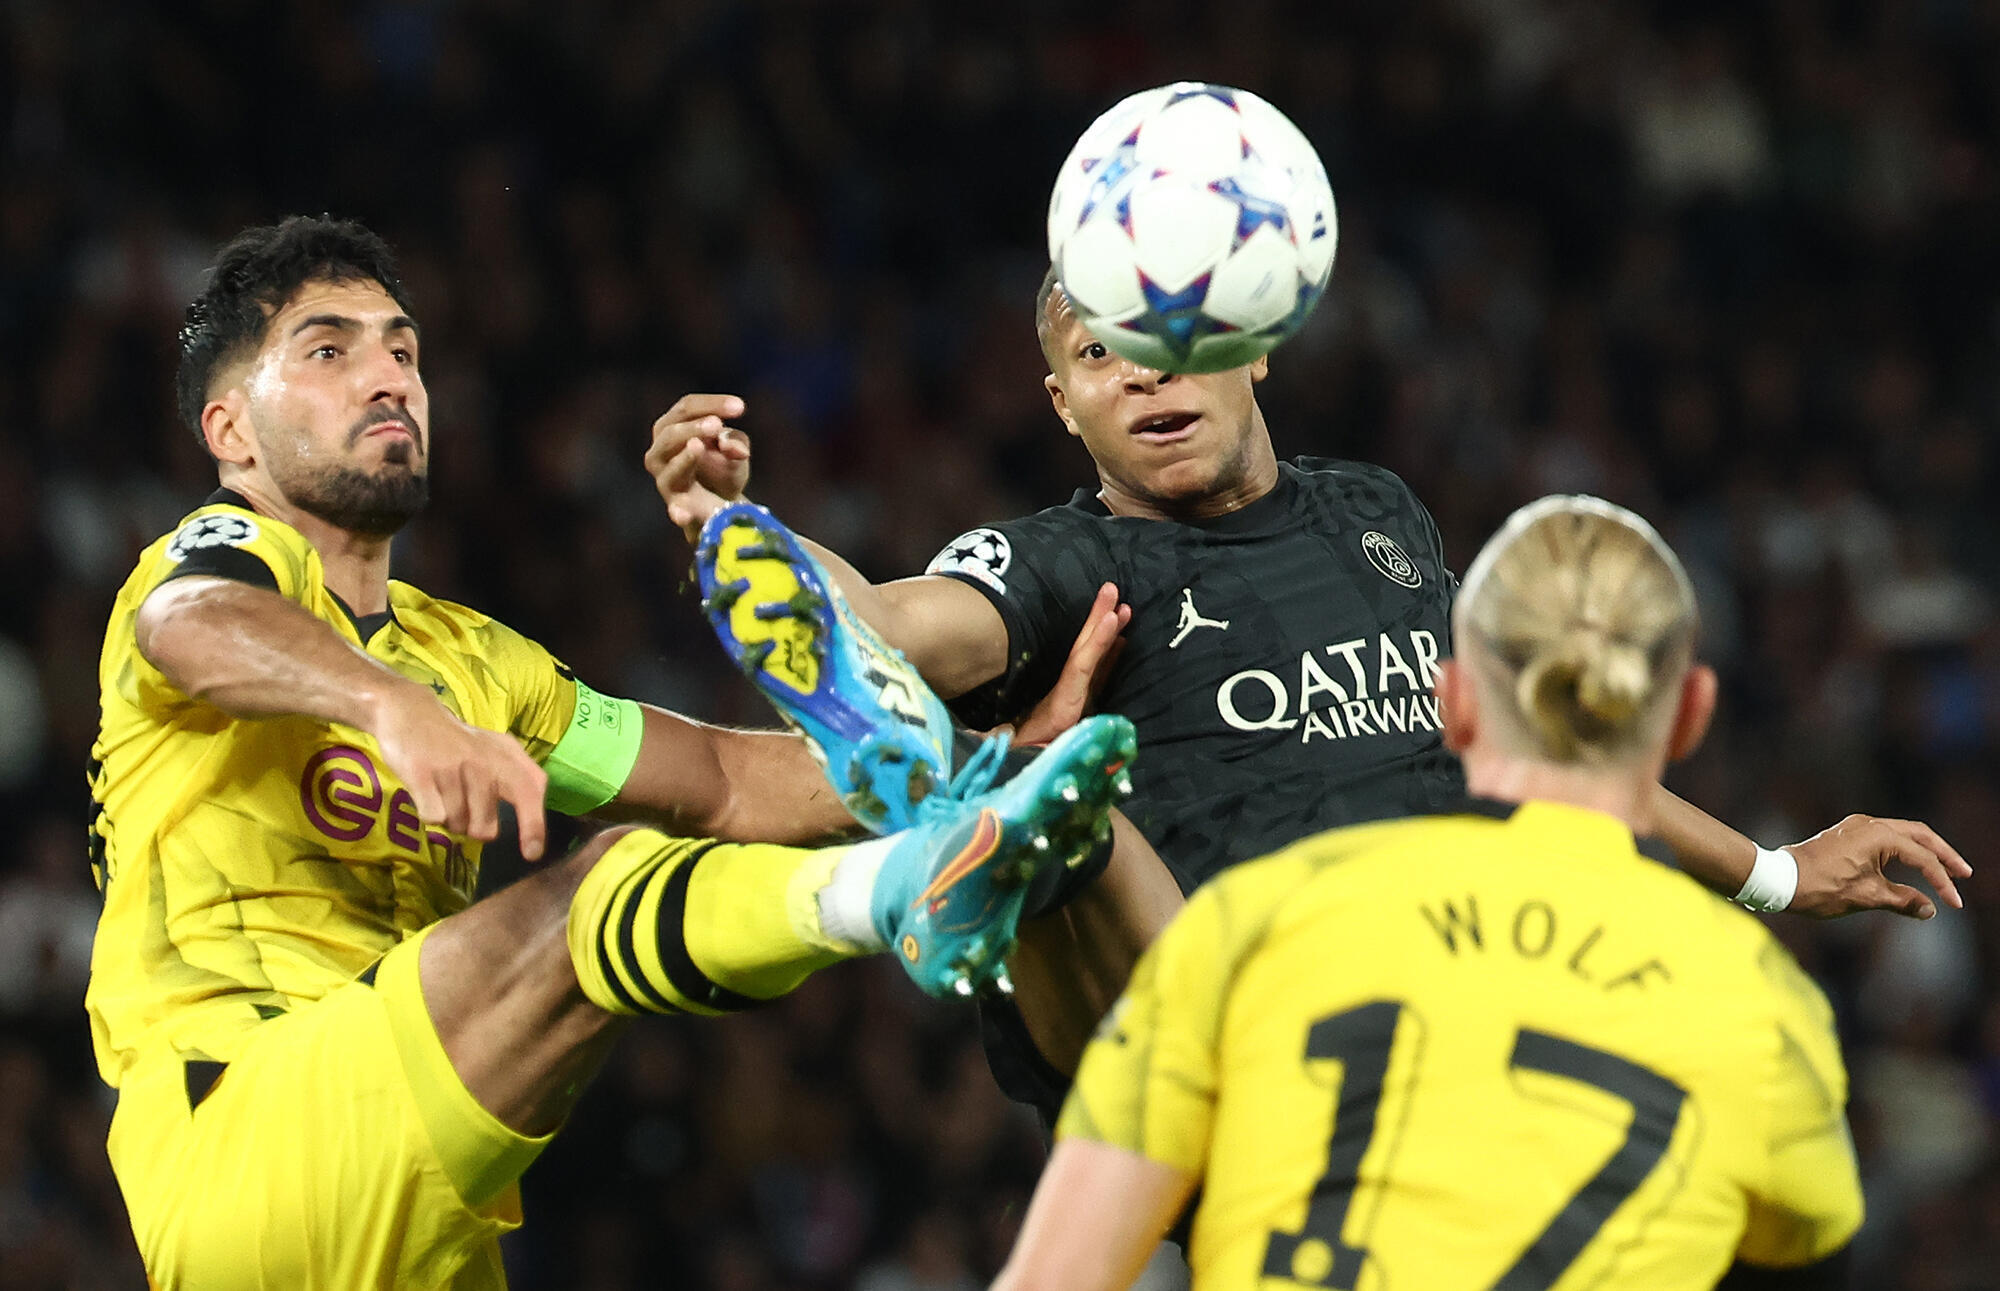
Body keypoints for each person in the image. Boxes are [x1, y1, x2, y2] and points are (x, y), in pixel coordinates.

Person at [87, 215, 1136, 1290]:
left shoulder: (475, 660)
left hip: (425, 1204)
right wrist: (384, 706)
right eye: (328, 349)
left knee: (649, 855)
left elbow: (724, 784)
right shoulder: (211, 565)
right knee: (596, 897)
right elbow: (195, 622)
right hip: (240, 1134)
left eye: (402, 348)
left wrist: (998, 750)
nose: (388, 376)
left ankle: (940, 828)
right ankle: (903, 893)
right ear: (232, 433)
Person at [646, 267, 1970, 1095]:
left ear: (1253, 345)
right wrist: (738, 530)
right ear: (1062, 405)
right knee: (1068, 806)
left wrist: (1781, 874)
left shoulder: (1379, 513)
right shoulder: (1067, 562)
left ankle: (978, 816)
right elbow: (896, 612)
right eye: (1096, 356)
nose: (1142, 374)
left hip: (1437, 1044)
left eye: (1165, 336)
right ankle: (987, 821)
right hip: (1189, 1036)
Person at [993, 495, 1864, 1290]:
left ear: (1451, 700)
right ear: (1691, 713)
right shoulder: (1754, 1002)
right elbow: (1803, 1225)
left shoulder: (1255, 921)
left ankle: (1015, 807)